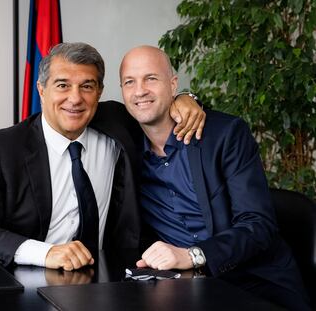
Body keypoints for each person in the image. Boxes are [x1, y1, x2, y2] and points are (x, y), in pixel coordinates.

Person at [0, 42, 205, 272]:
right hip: (29, 279)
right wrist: (46, 253)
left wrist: (186, 99)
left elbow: (155, 106)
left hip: (109, 279)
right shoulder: (0, 150)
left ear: (99, 92)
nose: (75, 99)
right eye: (62, 85)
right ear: (41, 90)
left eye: (86, 86)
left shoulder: (118, 123)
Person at [119, 45, 311, 311]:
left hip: (256, 284)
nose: (140, 90)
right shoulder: (124, 141)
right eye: (130, 82)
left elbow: (258, 224)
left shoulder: (224, 135)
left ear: (173, 84)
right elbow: (77, 107)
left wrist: (193, 255)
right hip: (186, 289)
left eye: (151, 78)